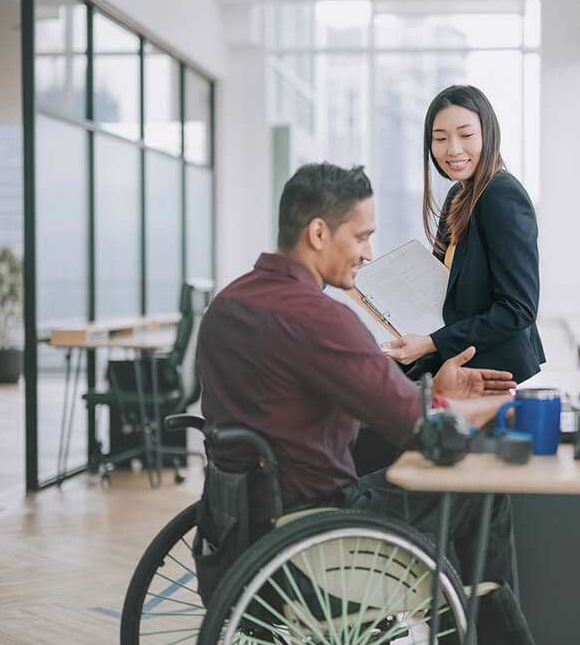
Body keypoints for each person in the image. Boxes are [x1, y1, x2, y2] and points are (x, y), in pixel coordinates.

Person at [197, 162, 535, 643]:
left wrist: (432, 395)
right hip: (318, 532)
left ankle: (456, 614)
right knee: (479, 487)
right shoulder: (319, 319)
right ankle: (478, 626)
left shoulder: (227, 305)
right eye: (360, 237)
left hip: (236, 526)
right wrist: (473, 412)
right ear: (318, 233)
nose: (368, 253)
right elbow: (421, 430)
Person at [382, 84, 546, 385]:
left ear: (488, 134)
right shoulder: (459, 195)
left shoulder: (501, 194)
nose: (453, 149)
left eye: (466, 135)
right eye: (440, 138)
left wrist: (431, 342)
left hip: (491, 373)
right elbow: (441, 289)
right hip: (457, 365)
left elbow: (518, 309)